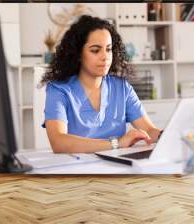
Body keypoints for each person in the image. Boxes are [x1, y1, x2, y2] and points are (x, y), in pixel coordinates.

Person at [41, 15, 162, 153]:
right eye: (95, 50)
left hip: (117, 167)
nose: (105, 57)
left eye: (109, 49)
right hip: (77, 169)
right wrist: (117, 143)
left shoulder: (122, 88)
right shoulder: (59, 90)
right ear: (78, 54)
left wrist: (167, 134)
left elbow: (149, 130)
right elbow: (59, 143)